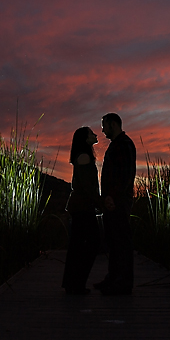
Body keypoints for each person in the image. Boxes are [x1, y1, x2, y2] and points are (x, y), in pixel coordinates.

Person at [94, 112, 137, 295]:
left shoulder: (124, 145)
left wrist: (113, 197)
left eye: (104, 125)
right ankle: (113, 278)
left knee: (121, 241)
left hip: (118, 202)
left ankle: (123, 282)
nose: (102, 130)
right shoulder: (117, 145)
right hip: (112, 201)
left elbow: (125, 175)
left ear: (113, 124)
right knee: (113, 240)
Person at [61, 126, 101, 295]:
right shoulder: (84, 157)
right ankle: (76, 283)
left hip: (81, 207)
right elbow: (86, 186)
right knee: (91, 243)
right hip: (83, 207)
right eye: (92, 133)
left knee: (78, 245)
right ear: (85, 138)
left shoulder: (84, 156)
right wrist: (99, 202)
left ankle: (73, 283)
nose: (96, 134)